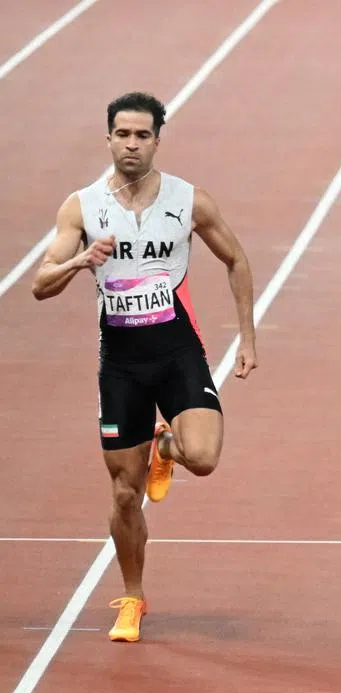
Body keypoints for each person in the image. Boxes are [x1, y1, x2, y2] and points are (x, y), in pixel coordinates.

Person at [31, 91, 258, 641]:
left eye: (142, 135)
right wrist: (81, 259)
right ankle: (132, 597)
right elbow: (40, 283)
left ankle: (167, 447)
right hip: (122, 366)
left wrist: (247, 338)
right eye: (123, 134)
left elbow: (236, 259)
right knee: (124, 494)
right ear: (108, 138)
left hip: (178, 353)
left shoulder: (189, 200)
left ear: (157, 140)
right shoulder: (82, 207)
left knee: (203, 457)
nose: (131, 144)